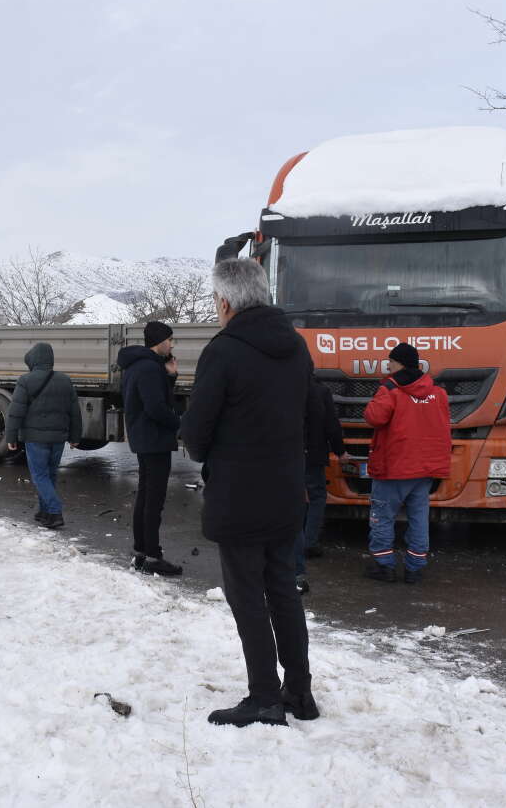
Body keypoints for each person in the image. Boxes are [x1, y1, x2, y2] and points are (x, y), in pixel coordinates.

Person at [180, 258, 321, 728]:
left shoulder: (223, 351)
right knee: (282, 589)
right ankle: (299, 692)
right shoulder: (296, 347)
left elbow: (197, 435)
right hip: (285, 491)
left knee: (247, 597)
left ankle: (263, 696)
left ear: (224, 301)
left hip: (239, 495)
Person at [363, 342, 451, 584]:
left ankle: (384, 566)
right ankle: (414, 568)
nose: (388, 364)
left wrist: (377, 395)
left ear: (399, 362)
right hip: (424, 469)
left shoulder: (390, 389)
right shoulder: (437, 393)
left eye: (391, 360)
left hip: (395, 466)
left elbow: (373, 417)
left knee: (382, 517)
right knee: (419, 518)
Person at [117, 320, 183, 575]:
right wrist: (179, 423)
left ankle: (142, 551)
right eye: (170, 339)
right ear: (159, 341)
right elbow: (156, 408)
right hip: (154, 440)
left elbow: (155, 400)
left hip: (145, 438)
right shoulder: (148, 368)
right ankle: (153, 557)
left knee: (146, 496)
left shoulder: (140, 366)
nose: (172, 344)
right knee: (153, 500)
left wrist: (171, 377)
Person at [4, 343, 81, 529]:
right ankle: (44, 512)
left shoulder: (25, 380)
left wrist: (11, 438)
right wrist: (75, 436)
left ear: (33, 360)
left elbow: (16, 412)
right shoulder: (65, 380)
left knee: (40, 476)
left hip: (36, 438)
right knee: (50, 474)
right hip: (58, 439)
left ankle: (54, 511)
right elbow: (74, 412)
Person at [294, 378, 347, 593]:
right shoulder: (320, 391)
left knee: (292, 497)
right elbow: (331, 424)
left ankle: (292, 542)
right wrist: (340, 449)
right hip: (313, 453)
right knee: (316, 496)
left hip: (287, 453)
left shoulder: (282, 386)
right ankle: (309, 542)